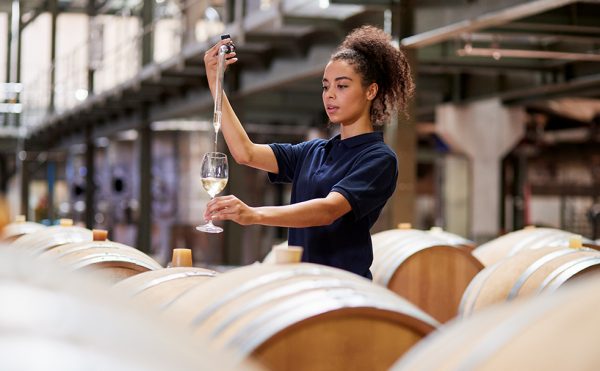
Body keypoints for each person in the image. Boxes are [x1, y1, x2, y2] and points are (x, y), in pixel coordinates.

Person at [202, 25, 414, 279]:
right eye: (326, 87)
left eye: (342, 86)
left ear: (371, 91)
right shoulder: (314, 151)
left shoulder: (378, 158)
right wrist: (216, 82)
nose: (330, 95)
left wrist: (253, 214)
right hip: (303, 288)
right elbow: (245, 153)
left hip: (344, 290)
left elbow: (328, 211)